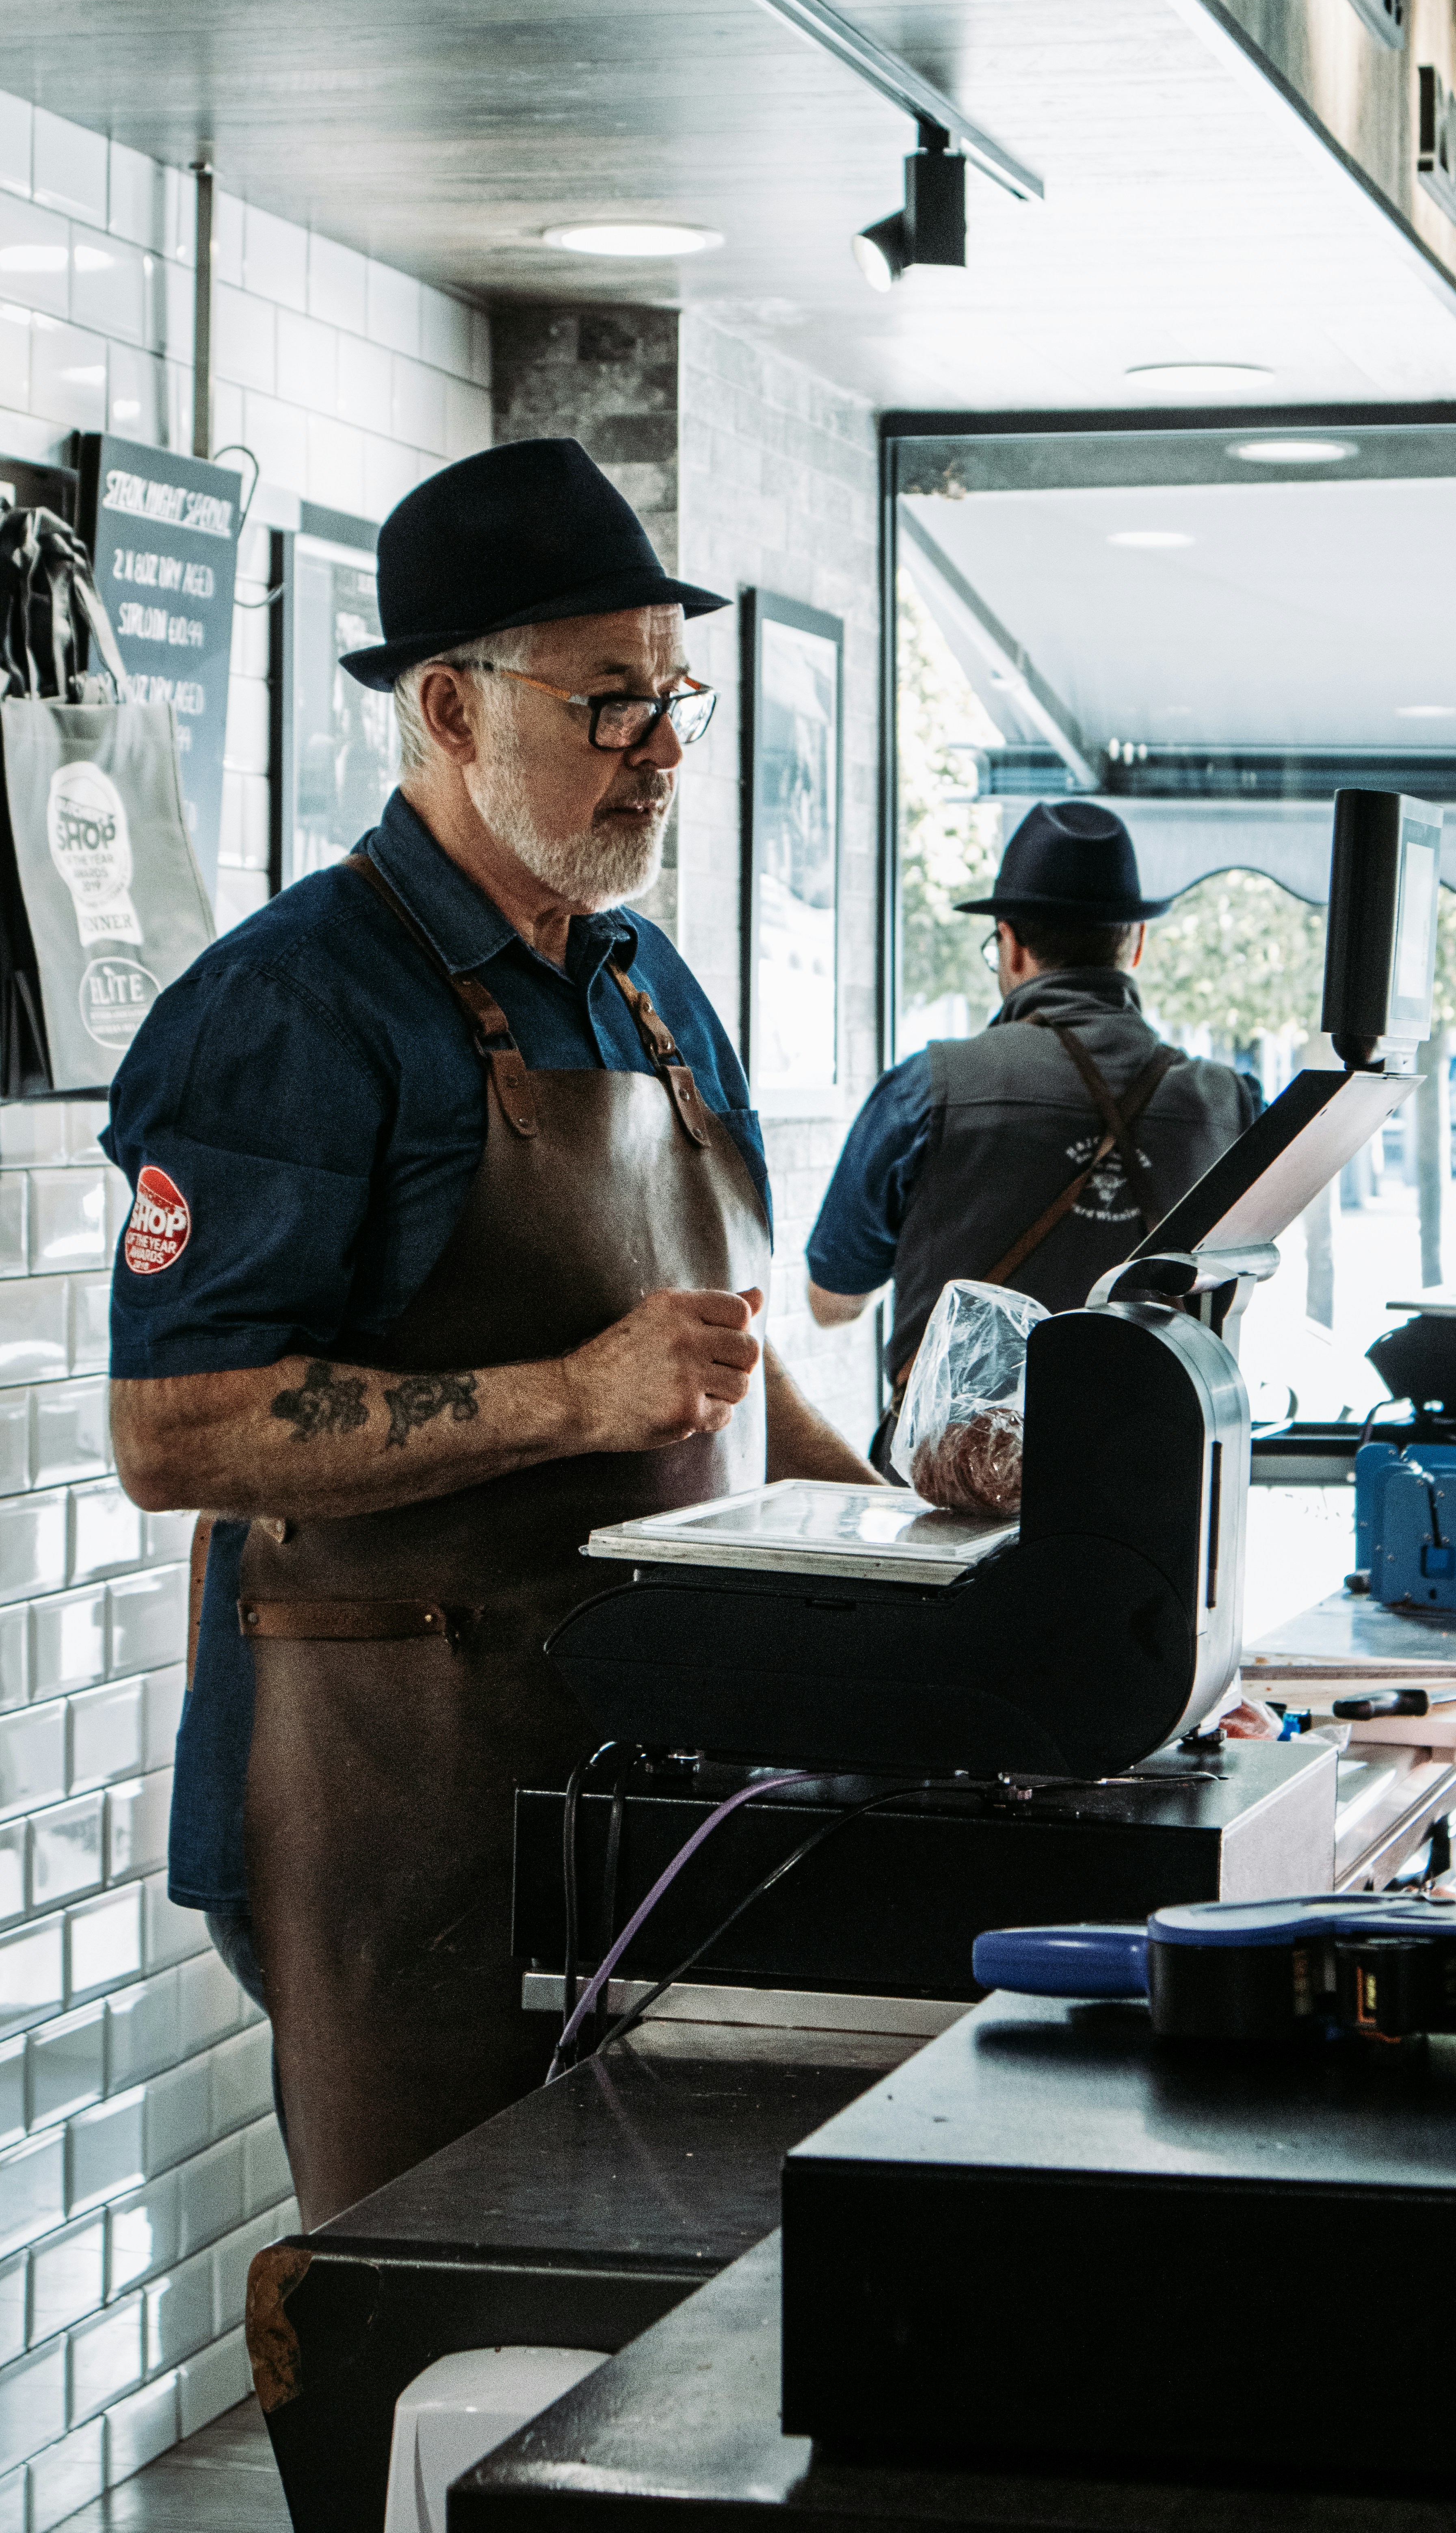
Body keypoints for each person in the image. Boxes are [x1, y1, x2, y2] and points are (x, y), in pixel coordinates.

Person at [104, 437, 878, 2228]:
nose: (665, 748)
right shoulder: (290, 1011)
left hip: (648, 1786)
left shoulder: (645, 985)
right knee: (437, 2330)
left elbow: (721, 1358)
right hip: (391, 1804)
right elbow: (179, 1435)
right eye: (610, 705)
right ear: (449, 709)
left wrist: (916, 1520)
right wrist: (567, 1397)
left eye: (673, 697)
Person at [805, 800, 1254, 1455]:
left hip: (949, 1489)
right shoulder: (1230, 1103)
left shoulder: (930, 1088)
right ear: (1135, 943)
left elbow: (832, 1302)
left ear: (1010, 945)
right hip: (1155, 1493)